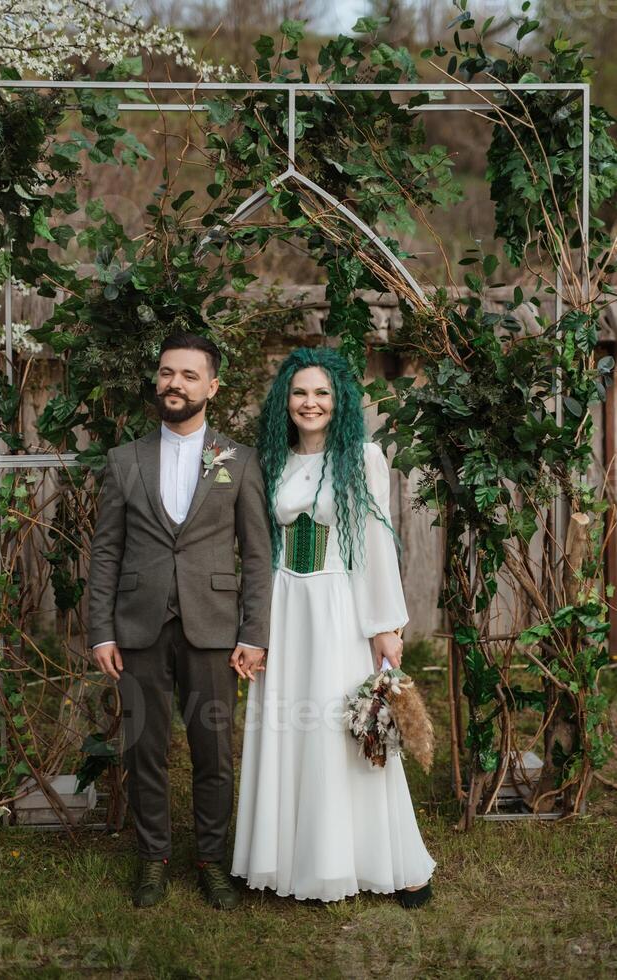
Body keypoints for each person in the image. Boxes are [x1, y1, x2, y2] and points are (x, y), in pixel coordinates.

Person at [231, 346, 436, 905]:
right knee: (287, 728)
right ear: (285, 401)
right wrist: (256, 629)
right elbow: (259, 550)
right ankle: (292, 861)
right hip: (286, 607)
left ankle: (385, 860)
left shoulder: (360, 455)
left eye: (321, 392)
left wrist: (385, 624)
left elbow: (374, 541)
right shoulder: (270, 459)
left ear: (338, 399)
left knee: (347, 729)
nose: (310, 402)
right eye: (300, 392)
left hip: (338, 605)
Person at [88, 331, 272, 910]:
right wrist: (101, 629)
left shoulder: (238, 462)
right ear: (157, 379)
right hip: (138, 624)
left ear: (211, 387)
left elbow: (258, 553)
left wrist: (253, 633)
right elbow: (106, 552)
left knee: (212, 749)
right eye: (168, 372)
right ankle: (153, 858)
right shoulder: (124, 460)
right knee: (144, 746)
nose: (176, 383)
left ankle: (211, 861)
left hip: (214, 627)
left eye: (190, 375)